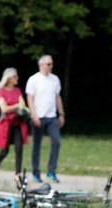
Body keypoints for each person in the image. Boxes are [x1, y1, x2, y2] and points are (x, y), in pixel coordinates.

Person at [26, 55, 64, 183]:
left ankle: (51, 171)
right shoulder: (33, 79)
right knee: (36, 144)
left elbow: (58, 97)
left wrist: (61, 113)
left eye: (51, 64)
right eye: (48, 64)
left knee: (56, 142)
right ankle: (36, 172)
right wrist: (34, 115)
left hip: (52, 116)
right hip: (38, 117)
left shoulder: (55, 79)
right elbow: (30, 99)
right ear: (41, 65)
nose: (51, 66)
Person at [0, 67, 28, 181]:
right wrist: (17, 106)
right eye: (15, 76)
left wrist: (17, 107)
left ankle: (18, 174)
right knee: (4, 150)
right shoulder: (1, 91)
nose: (17, 78)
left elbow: (23, 105)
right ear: (9, 78)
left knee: (19, 148)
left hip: (17, 123)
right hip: (6, 125)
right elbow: (4, 109)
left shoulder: (17, 90)